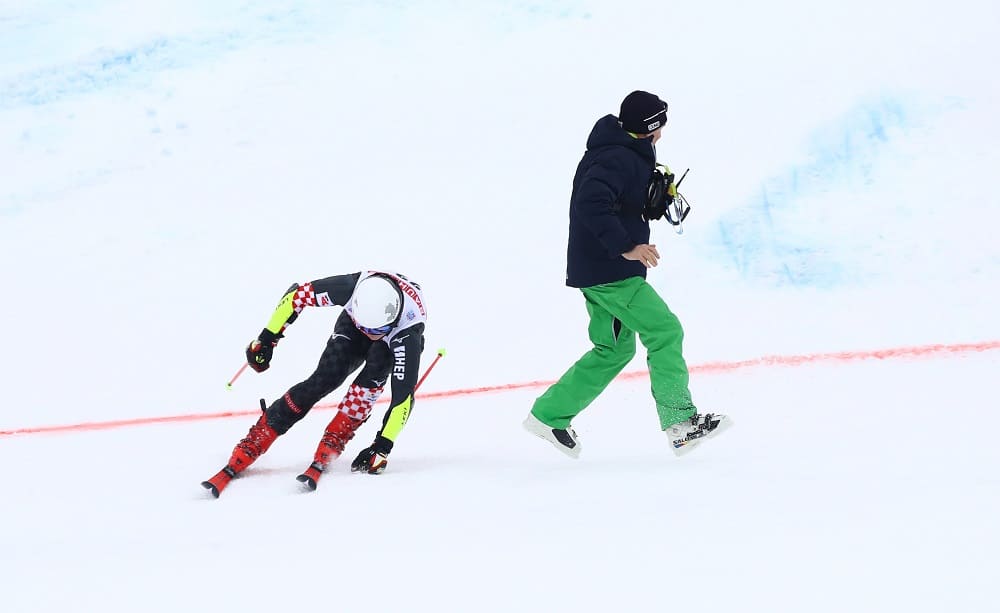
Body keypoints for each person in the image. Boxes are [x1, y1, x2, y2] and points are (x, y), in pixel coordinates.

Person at [523, 90, 729, 458]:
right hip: (612, 271)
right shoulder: (616, 157)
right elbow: (591, 203)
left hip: (597, 268)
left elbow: (614, 201)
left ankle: (549, 415)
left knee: (614, 349)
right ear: (648, 128)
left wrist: (648, 204)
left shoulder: (621, 150)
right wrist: (627, 247)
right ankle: (681, 425)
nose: (662, 134)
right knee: (665, 330)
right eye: (660, 126)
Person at [202, 270, 427, 496]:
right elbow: (295, 297)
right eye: (364, 328)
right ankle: (261, 434)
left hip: (391, 339)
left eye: (373, 331)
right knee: (326, 377)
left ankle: (337, 436)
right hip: (355, 321)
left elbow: (403, 399)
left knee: (368, 384)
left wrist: (381, 448)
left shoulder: (408, 333)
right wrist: (266, 339)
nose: (368, 334)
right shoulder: (349, 287)